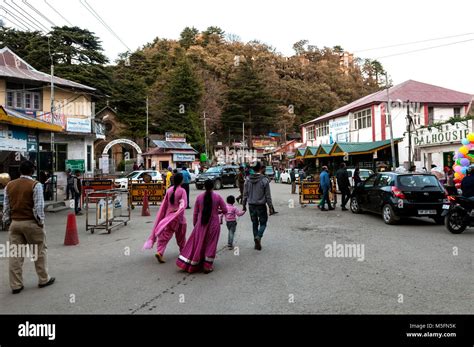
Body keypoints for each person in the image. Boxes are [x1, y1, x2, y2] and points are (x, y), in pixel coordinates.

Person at [2, 160, 55, 294]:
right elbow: (38, 208)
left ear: (20, 171)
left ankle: (16, 285)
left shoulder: (9, 185)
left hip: (15, 224)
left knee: (15, 255)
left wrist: (8, 221)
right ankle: (43, 279)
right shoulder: (35, 185)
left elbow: (6, 207)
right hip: (31, 223)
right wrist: (40, 223)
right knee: (39, 252)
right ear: (32, 171)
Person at [176, 179, 227, 273]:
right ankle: (207, 266)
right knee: (211, 244)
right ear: (212, 186)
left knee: (200, 243)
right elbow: (225, 210)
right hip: (214, 224)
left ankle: (196, 262)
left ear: (204, 186)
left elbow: (195, 213)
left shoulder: (199, 197)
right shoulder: (217, 197)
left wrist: (196, 224)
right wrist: (217, 211)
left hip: (201, 224)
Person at [143, 173, 187, 263]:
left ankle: (160, 252)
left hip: (168, 218)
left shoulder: (169, 190)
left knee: (165, 236)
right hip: (179, 218)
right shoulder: (182, 191)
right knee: (181, 237)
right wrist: (178, 211)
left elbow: (165, 205)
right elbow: (184, 204)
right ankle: (183, 253)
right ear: (181, 181)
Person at [242, 161, 274, 250]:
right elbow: (268, 195)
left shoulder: (247, 180)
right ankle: (259, 237)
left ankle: (256, 241)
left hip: (251, 205)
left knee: (254, 223)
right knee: (263, 223)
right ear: (260, 168)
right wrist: (270, 207)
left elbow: (245, 194)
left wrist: (244, 205)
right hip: (261, 206)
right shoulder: (264, 180)